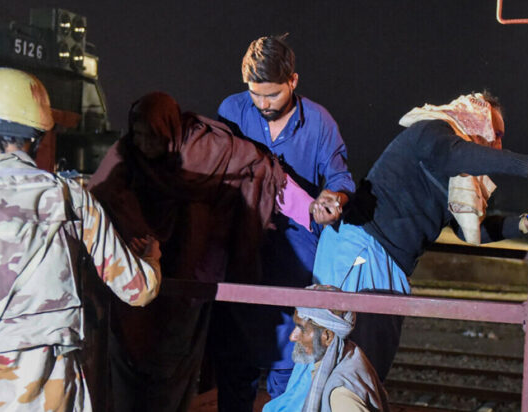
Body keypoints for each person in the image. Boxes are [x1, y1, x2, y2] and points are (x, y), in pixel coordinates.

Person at [0, 67, 161, 412]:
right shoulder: (72, 197)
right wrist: (152, 260)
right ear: (36, 136)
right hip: (55, 394)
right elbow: (137, 289)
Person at [88, 92, 321, 412]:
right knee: (134, 358)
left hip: (194, 274)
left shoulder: (205, 148)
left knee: (179, 360)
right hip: (142, 274)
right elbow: (95, 200)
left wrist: (314, 214)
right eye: (138, 134)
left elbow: (263, 172)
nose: (144, 143)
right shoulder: (126, 154)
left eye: (152, 136)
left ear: (170, 129)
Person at [312, 92, 528, 381]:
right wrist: (527, 165)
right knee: (337, 366)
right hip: (361, 253)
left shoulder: (457, 176)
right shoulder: (431, 133)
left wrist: (524, 224)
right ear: (474, 117)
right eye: (496, 132)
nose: (498, 143)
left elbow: (470, 230)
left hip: (384, 263)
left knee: (365, 368)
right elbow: (454, 154)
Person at [213, 34, 355, 409]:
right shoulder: (232, 110)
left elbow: (339, 178)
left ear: (293, 81)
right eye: (254, 94)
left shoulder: (319, 122)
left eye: (272, 95)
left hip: (296, 265)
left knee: (287, 375)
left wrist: (333, 199)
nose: (262, 104)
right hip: (241, 257)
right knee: (234, 365)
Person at [263, 285, 389, 412]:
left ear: (327, 336)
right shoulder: (349, 353)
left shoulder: (341, 394)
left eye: (302, 329)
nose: (292, 337)